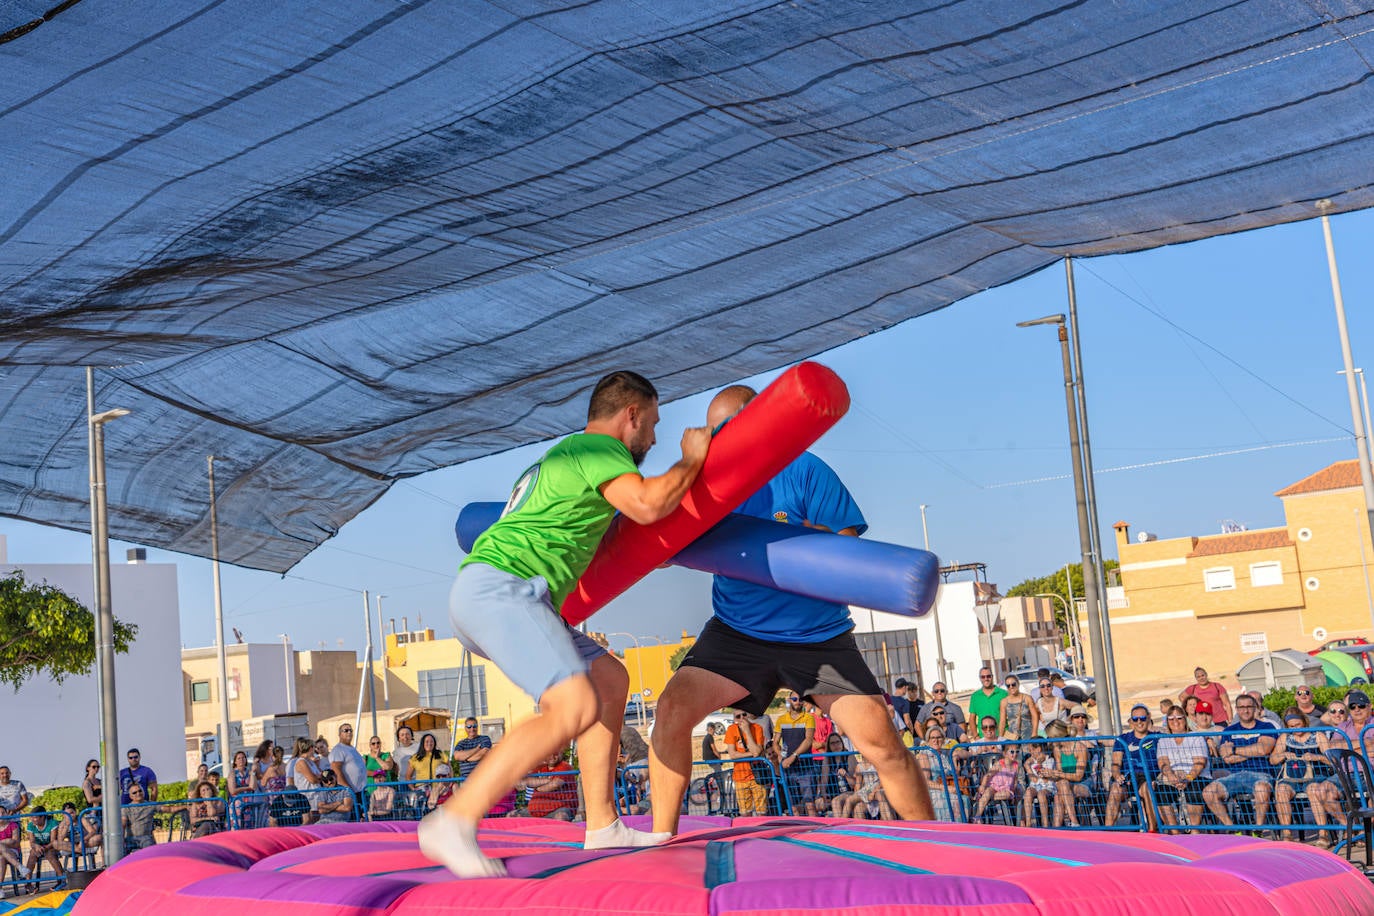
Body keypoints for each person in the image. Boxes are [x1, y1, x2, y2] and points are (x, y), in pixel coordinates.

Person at [419, 370, 710, 877]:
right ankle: (454, 819)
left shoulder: (563, 459)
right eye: (655, 424)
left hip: (497, 593)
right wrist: (692, 459)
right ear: (631, 415)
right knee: (571, 704)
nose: (657, 437)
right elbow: (646, 504)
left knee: (609, 678)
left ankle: (600, 823)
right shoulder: (599, 450)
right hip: (502, 590)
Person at [647, 384, 934, 836]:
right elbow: (659, 548)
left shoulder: (805, 471)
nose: (716, 438)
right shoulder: (705, 483)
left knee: (884, 745)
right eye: (712, 431)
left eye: (723, 428)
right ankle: (660, 838)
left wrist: (791, 544)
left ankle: (933, 843)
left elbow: (846, 548)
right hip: (737, 634)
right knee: (670, 710)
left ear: (755, 422)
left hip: (816, 638)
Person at [1202, 692, 1277, 830]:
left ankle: (1258, 830)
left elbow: (1263, 750)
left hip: (1261, 774)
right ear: (1236, 709)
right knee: (1209, 792)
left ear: (1255, 708)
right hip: (1234, 776)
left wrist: (1235, 750)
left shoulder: (1266, 727)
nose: (1246, 710)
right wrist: (1253, 752)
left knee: (1262, 790)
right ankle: (1232, 828)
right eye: (1241, 707)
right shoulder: (1229, 730)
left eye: (1249, 706)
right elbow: (1227, 758)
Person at [1271, 707, 1334, 842]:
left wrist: (1316, 757)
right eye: (1291, 726)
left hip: (1315, 775)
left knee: (1313, 790)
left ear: (1304, 722)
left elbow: (1332, 760)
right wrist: (1283, 755)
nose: (1295, 728)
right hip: (1291, 777)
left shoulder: (1317, 736)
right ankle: (1287, 833)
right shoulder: (1285, 737)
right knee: (1281, 790)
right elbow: (1272, 759)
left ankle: (1323, 833)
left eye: (1297, 725)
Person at [1106, 704, 1163, 829]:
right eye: (1135, 719)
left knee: (1146, 789)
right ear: (1131, 721)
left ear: (1148, 718)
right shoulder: (1123, 739)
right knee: (1115, 790)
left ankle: (1153, 830)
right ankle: (1107, 831)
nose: (1139, 722)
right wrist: (1117, 775)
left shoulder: (1157, 738)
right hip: (1128, 776)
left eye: (1142, 718)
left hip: (1148, 776)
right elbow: (1115, 763)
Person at [1154, 708, 1209, 832]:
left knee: (1194, 790)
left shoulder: (1195, 737)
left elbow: (1200, 763)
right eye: (1171, 719)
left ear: (1185, 719)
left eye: (1179, 718)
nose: (1175, 721)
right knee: (1161, 793)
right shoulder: (1163, 740)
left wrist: (1188, 778)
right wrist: (1172, 777)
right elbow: (1163, 763)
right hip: (1173, 778)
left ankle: (1194, 829)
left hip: (1195, 776)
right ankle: (1174, 832)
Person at [723, 710, 768, 816]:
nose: (742, 718)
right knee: (745, 813)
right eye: (738, 716)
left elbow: (757, 752)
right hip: (740, 777)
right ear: (734, 719)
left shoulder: (757, 728)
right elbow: (732, 755)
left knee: (761, 812)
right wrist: (751, 753)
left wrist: (747, 731)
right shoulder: (731, 730)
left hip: (757, 777)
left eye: (744, 715)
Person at [329, 723, 368, 808]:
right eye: (346, 730)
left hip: (361, 791)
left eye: (351, 730)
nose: (349, 732)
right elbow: (336, 771)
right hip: (351, 793)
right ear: (340, 734)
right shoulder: (338, 750)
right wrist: (348, 789)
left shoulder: (352, 748)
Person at [1020, 742, 1057, 827]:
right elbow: (1034, 779)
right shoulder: (1031, 762)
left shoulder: (1050, 760)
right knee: (1028, 792)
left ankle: (1045, 822)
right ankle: (1028, 823)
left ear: (1039, 749)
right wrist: (1026, 765)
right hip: (1035, 785)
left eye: (1032, 750)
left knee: (1041, 794)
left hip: (1048, 786)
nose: (1031, 752)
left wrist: (1038, 766)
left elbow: (1045, 780)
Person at [999, 676, 1038, 740]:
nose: (1011, 687)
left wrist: (1034, 732)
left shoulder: (1027, 698)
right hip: (1013, 736)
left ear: (1018, 684)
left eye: (1013, 684)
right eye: (1008, 685)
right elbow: (1002, 721)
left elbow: (1034, 716)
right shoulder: (1004, 702)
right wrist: (1000, 737)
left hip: (1028, 734)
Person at [968, 668, 1006, 734]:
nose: (986, 679)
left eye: (988, 676)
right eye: (983, 677)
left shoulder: (1003, 694)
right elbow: (972, 719)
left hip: (1002, 737)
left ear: (992, 677)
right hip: (984, 739)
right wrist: (976, 736)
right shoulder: (975, 696)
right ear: (980, 678)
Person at [122, 783, 156, 850]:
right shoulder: (126, 808)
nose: (138, 793)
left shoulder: (150, 805)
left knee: (148, 844)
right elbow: (123, 825)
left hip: (146, 838)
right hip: (130, 839)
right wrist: (121, 840)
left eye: (140, 791)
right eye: (134, 792)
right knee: (122, 852)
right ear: (130, 796)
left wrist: (183, 806)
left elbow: (169, 809)